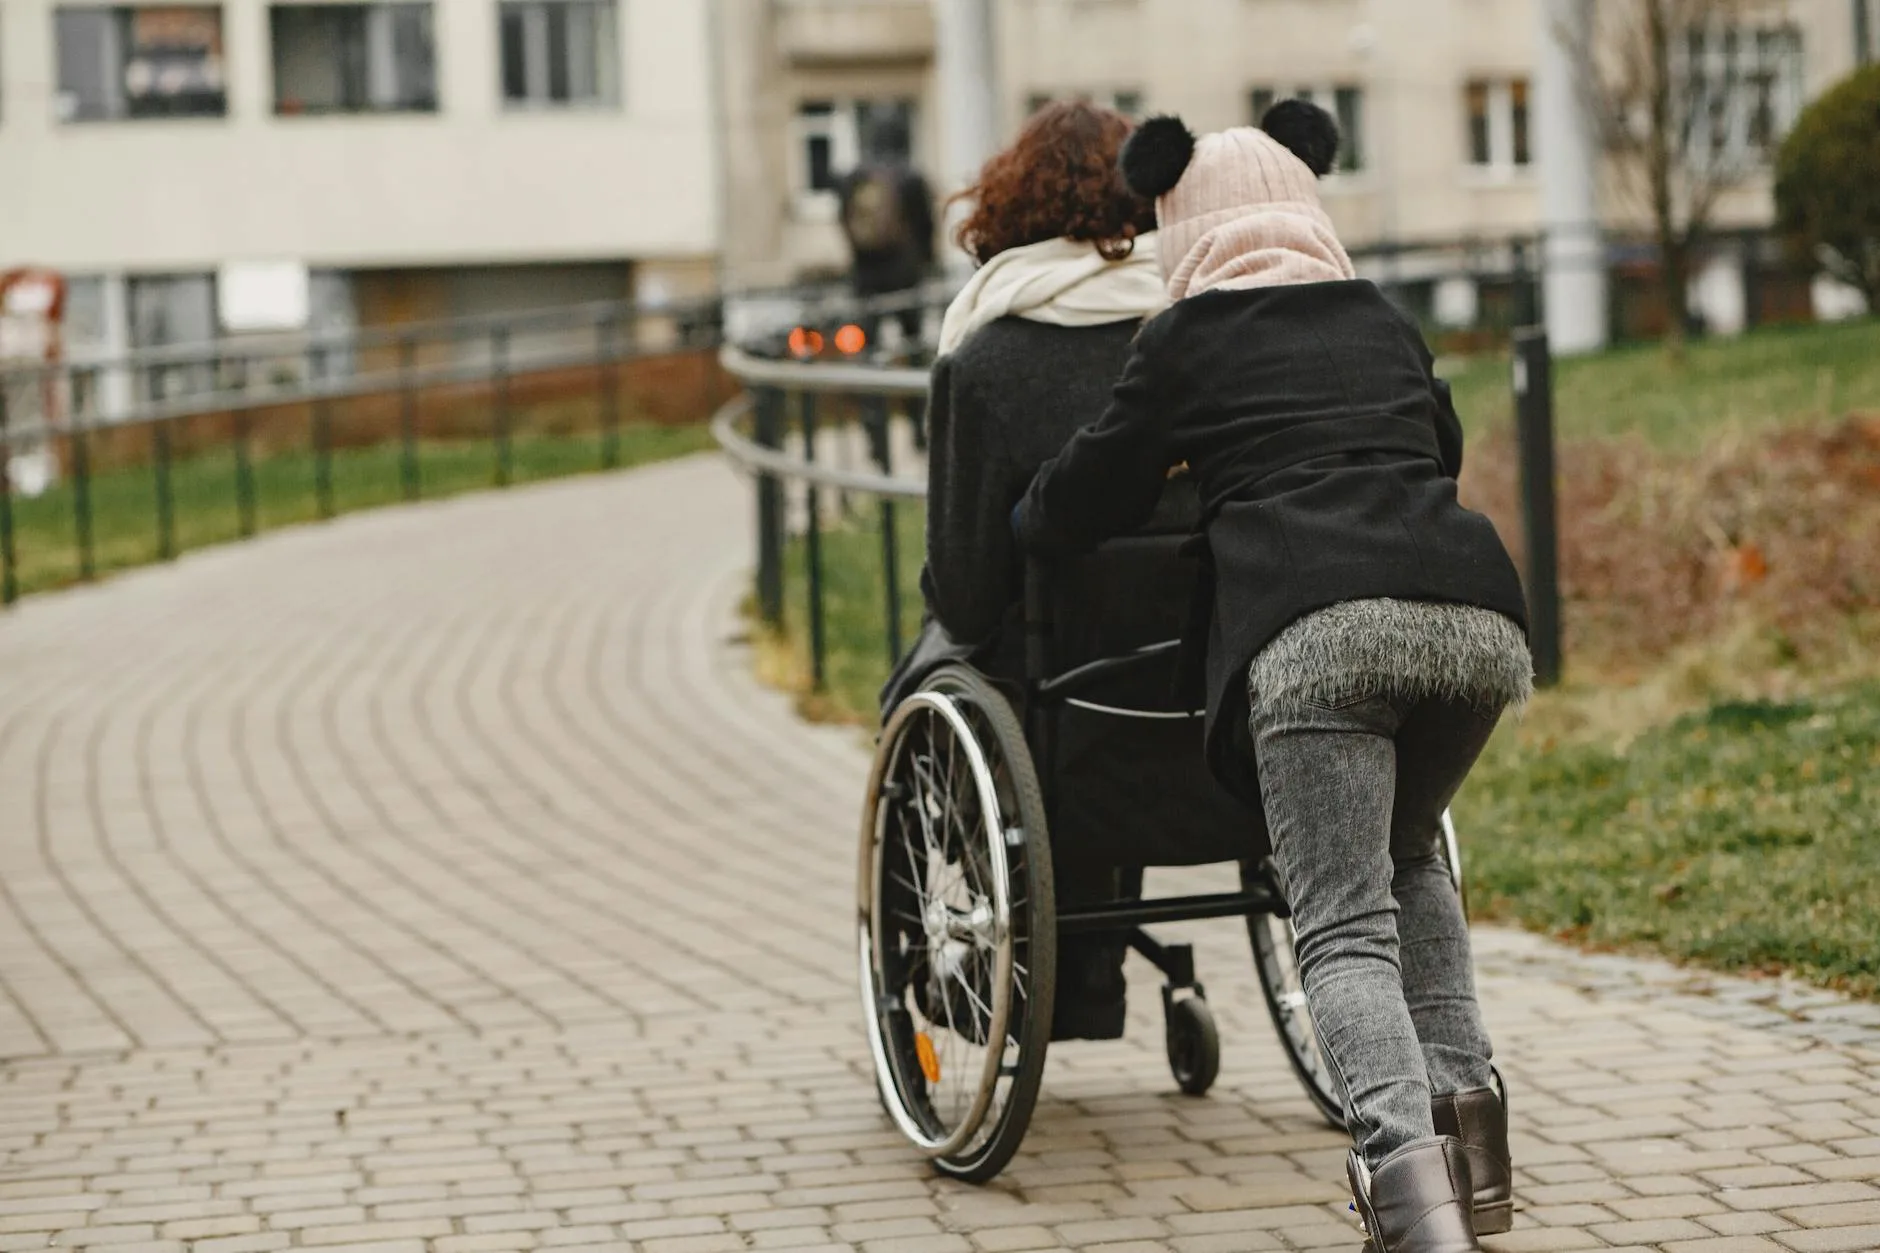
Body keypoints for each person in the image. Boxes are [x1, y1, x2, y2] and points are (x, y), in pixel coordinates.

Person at [1012, 103, 1533, 1253]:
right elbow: (1435, 449)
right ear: (1308, 195)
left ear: (1174, 215)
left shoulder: (1186, 340)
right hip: (1474, 621)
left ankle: (1409, 1201)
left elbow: (1084, 497)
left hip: (1315, 631)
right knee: (1406, 862)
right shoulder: (1380, 319)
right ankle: (1476, 1159)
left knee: (1340, 927)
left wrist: (1029, 514)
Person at [879, 99, 1170, 1043]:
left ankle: (942, 960)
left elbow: (963, 584)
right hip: (1199, 671)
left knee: (924, 684)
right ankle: (1090, 971)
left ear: (1009, 209)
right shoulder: (1196, 324)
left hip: (1053, 688)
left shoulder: (988, 358)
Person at [836, 124, 936, 355]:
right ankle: (914, 385)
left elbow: (843, 218)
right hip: (904, 268)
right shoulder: (910, 175)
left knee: (867, 340)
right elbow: (925, 224)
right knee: (913, 338)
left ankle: (869, 388)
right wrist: (926, 259)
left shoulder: (855, 176)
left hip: (866, 270)